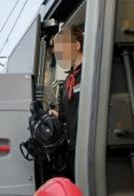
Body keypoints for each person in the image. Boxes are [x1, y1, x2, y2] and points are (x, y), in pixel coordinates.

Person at [50, 26, 84, 181]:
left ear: (77, 45)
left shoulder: (91, 72)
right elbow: (66, 115)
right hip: (73, 148)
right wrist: (57, 116)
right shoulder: (66, 83)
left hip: (88, 143)